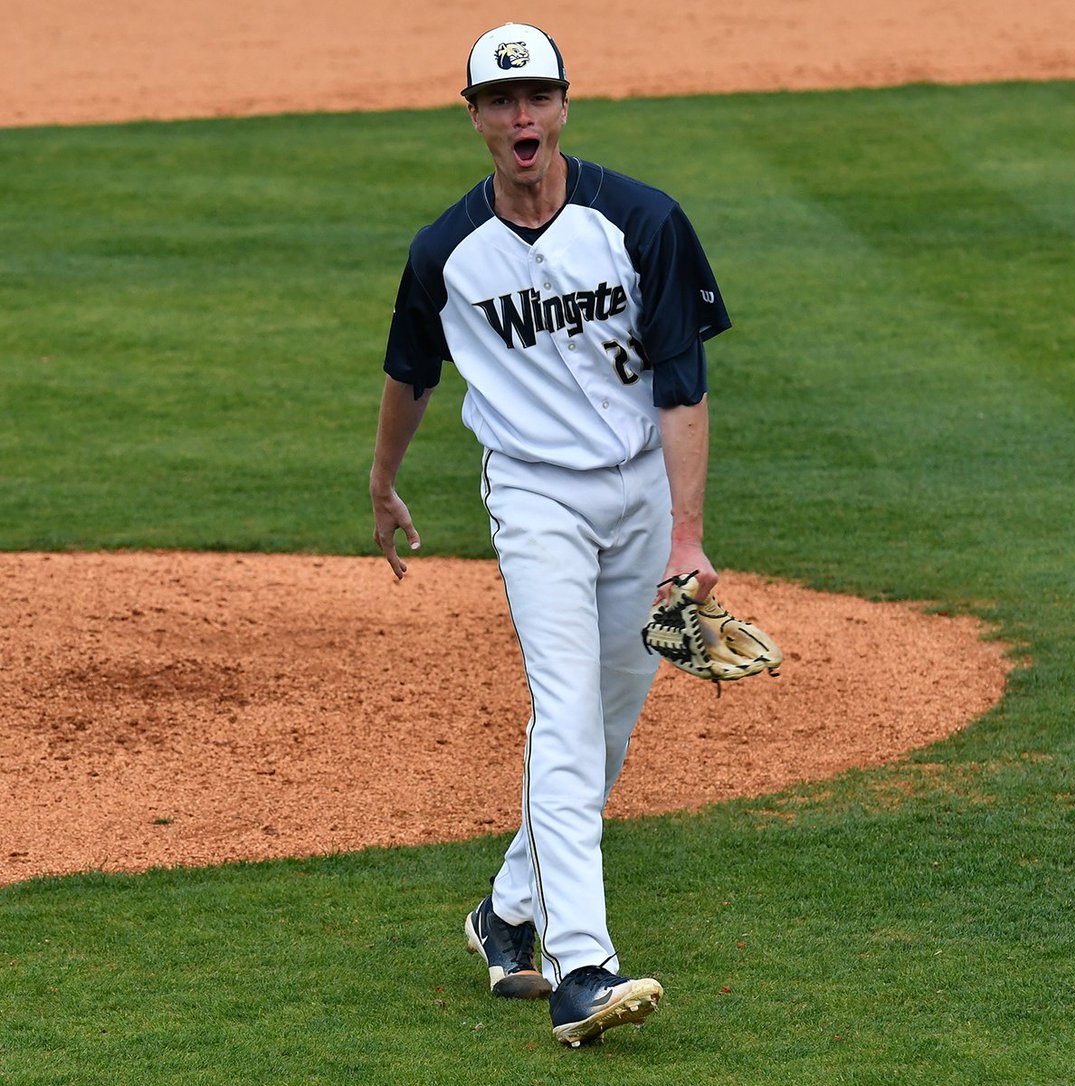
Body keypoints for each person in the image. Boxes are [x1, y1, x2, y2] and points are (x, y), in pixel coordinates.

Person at [369, 22, 731, 1047]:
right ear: (476, 117)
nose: (522, 118)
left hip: (644, 498)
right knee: (567, 714)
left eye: (538, 98)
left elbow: (684, 383)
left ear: (564, 105)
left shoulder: (644, 223)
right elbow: (411, 375)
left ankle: (505, 913)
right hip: (534, 499)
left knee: (612, 720)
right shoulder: (446, 252)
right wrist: (384, 480)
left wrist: (688, 538)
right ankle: (583, 967)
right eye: (501, 101)